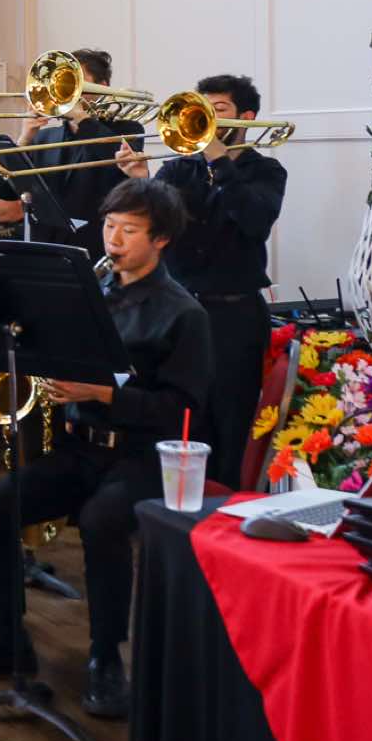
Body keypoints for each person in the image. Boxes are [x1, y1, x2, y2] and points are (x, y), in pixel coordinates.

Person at [0, 178, 211, 719]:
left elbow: (183, 411)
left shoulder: (184, 314)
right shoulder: (92, 292)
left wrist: (104, 394)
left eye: (129, 230)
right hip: (79, 447)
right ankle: (8, 638)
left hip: (142, 456)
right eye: (110, 226)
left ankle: (106, 657)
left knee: (101, 521)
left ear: (160, 240)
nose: (113, 240)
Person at [116, 73, 285, 488]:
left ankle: (223, 508)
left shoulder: (266, 171)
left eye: (219, 109)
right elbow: (154, 229)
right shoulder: (178, 168)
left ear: (246, 117)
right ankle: (168, 506)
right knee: (178, 415)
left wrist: (218, 157)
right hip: (178, 312)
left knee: (231, 420)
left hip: (234, 316)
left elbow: (255, 221)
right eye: (203, 109)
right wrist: (141, 180)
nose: (208, 116)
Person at [16, 48, 145, 254]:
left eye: (76, 82)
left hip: (98, 247)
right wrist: (24, 140)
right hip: (47, 248)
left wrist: (82, 119)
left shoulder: (128, 130)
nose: (68, 91)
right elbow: (4, 190)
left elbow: (118, 159)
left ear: (102, 88)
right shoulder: (43, 138)